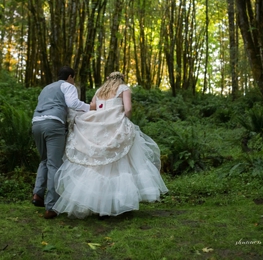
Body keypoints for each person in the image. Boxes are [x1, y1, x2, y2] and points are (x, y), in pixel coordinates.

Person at [53, 72, 168, 218]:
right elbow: (128, 109)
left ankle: (100, 206)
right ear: (121, 79)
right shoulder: (123, 89)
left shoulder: (100, 91)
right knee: (121, 167)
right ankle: (121, 205)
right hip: (117, 129)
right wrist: (125, 120)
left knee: (98, 167)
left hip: (98, 130)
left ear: (108, 79)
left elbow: (93, 107)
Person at [32, 66, 90, 219]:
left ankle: (37, 194)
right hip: (53, 124)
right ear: (70, 76)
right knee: (54, 164)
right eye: (74, 78)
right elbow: (73, 103)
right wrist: (90, 107)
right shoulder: (68, 86)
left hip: (36, 124)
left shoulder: (46, 88)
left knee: (43, 160)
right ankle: (51, 207)